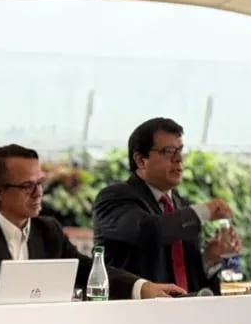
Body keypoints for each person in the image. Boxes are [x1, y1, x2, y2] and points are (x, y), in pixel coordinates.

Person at [0, 144, 185, 304]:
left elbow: (85, 270)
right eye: (27, 186)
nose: (38, 193)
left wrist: (142, 288)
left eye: (40, 183)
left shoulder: (48, 230)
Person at [92, 118, 241, 295]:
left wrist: (209, 259)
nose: (179, 159)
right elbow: (149, 231)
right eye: (169, 151)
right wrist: (205, 211)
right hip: (133, 315)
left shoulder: (181, 206)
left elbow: (190, 279)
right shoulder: (114, 198)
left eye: (180, 150)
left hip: (183, 315)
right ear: (141, 160)